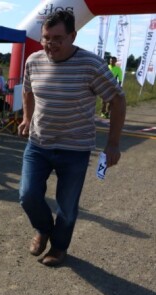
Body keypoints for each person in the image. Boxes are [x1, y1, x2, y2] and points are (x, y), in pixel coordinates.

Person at [18, 10, 126, 266]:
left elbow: (118, 99)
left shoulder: (91, 65)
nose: (50, 44)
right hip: (39, 144)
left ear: (73, 36)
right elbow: (27, 91)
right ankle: (43, 229)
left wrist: (113, 143)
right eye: (46, 38)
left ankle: (59, 247)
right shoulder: (33, 61)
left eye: (58, 38)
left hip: (74, 148)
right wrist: (25, 117)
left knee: (66, 206)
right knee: (27, 195)